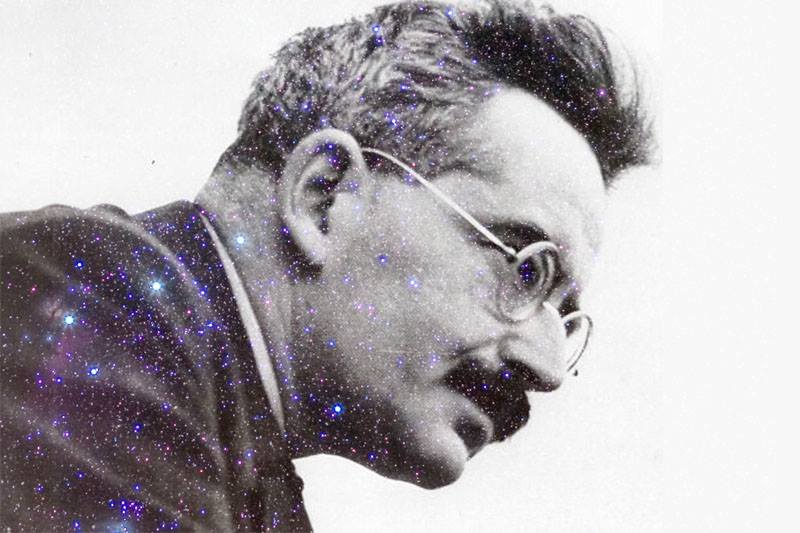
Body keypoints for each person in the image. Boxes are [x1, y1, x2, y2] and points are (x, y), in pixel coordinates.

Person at [0, 0, 653, 530]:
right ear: (324, 196)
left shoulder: (245, 462)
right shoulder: (89, 296)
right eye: (527, 271)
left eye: (565, 316)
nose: (548, 368)